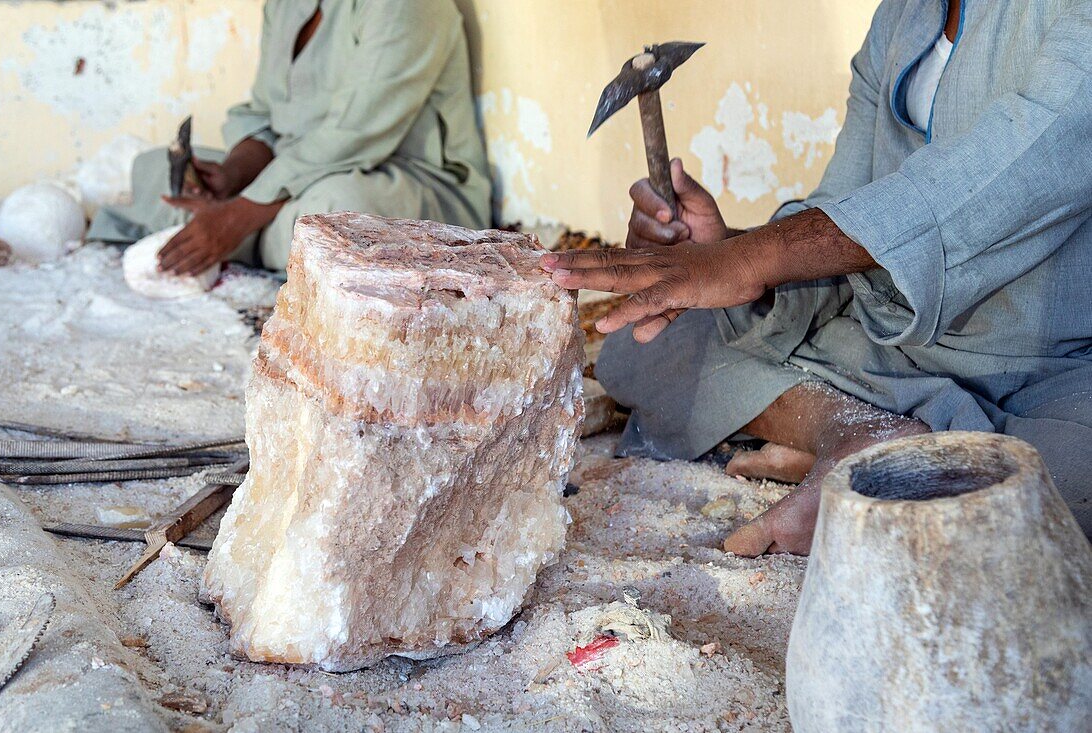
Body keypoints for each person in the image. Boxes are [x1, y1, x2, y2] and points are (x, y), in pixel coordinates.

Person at [543, 0, 1092, 554]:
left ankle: (870, 445)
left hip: (1045, 372)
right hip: (882, 344)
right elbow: (844, 207)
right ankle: (855, 434)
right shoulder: (903, 15)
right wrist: (720, 247)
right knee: (644, 349)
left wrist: (751, 259)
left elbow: (993, 180)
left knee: (1064, 479)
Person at [88, 0, 491, 274]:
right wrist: (232, 175)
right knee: (153, 166)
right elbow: (265, 112)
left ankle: (231, 237)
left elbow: (353, 136)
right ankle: (247, 239)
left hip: (399, 181)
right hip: (290, 177)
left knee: (334, 211)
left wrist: (237, 215)